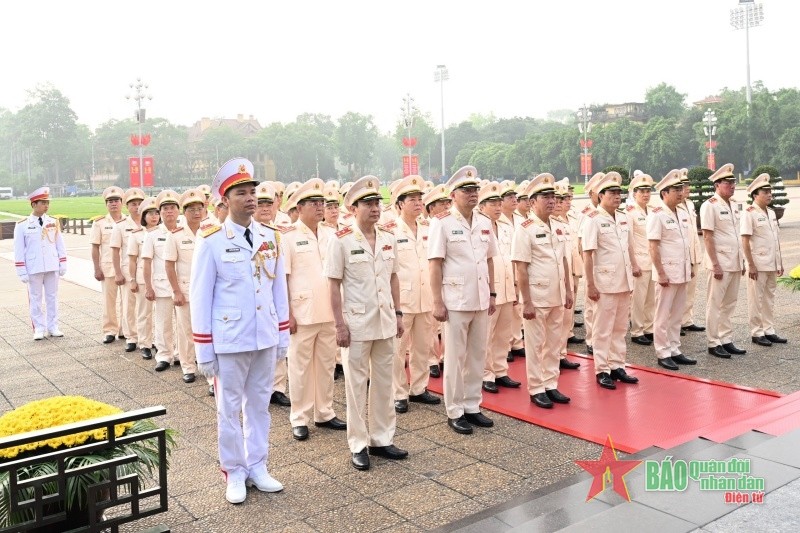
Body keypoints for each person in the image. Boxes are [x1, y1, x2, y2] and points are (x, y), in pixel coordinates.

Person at [191, 157, 289, 504]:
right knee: (228, 409)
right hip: (229, 339)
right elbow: (200, 296)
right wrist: (203, 348)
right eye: (242, 193)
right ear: (225, 201)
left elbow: (279, 289)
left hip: (263, 334)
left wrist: (282, 333)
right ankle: (233, 470)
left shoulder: (271, 236)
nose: (251, 199)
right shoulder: (212, 239)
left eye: (253, 192)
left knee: (260, 405)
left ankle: (257, 465)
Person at [324, 175, 407, 471]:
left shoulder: (387, 237)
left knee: (384, 383)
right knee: (356, 385)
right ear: (353, 207)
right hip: (356, 324)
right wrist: (338, 324)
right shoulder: (342, 240)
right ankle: (358, 444)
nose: (375, 208)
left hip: (384, 321)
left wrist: (398, 313)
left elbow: (393, 277)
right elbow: (333, 285)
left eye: (377, 203)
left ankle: (382, 439)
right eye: (368, 203)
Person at [428, 166, 498, 435]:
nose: (472, 194)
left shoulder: (483, 222)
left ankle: (472, 404)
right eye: (467, 190)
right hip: (455, 300)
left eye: (475, 190)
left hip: (480, 297)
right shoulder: (442, 222)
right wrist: (437, 301)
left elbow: (489, 260)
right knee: (455, 358)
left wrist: (492, 293)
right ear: (453, 194)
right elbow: (434, 265)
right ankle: (455, 410)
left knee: (478, 355)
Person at [282, 178, 346, 441]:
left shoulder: (332, 234)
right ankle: (299, 417)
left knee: (326, 364)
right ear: (300, 207)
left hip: (329, 311)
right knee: (299, 367)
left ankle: (325, 412)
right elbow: (283, 278)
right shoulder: (287, 236)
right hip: (302, 312)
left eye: (322, 203)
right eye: (314, 203)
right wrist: (287, 313)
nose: (320, 207)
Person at [512, 174, 573, 408]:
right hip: (537, 297)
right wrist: (525, 301)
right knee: (536, 344)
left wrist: (568, 290)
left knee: (554, 343)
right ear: (532, 201)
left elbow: (563, 261)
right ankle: (536, 387)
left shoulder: (558, 225)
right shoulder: (525, 229)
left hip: (557, 295)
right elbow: (521, 268)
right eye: (545, 197)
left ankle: (551, 383)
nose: (551, 201)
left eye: (552, 197)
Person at [581, 172, 641, 389]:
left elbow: (629, 245)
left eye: (619, 193)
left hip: (624, 280)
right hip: (604, 282)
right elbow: (587, 254)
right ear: (600, 196)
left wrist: (634, 265)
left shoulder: (624, 217)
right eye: (612, 193)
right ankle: (602, 369)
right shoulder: (593, 219)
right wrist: (590, 284)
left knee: (619, 327)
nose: (617, 197)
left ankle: (617, 365)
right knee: (603, 328)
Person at [389, 175, 441, 414]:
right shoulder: (389, 231)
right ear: (400, 204)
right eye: (412, 199)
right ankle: (399, 392)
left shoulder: (429, 228)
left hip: (426, 297)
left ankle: (419, 388)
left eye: (420, 199)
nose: (418, 203)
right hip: (403, 300)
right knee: (398, 350)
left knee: (423, 346)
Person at [647, 170, 696, 370]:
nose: (680, 192)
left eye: (680, 189)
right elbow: (653, 246)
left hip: (682, 271)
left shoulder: (683, 213)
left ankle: (675, 349)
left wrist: (690, 264)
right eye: (675, 189)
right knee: (662, 315)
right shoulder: (657, 215)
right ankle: (663, 352)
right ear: (664, 193)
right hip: (666, 273)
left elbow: (686, 243)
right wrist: (660, 272)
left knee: (677, 314)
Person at [700, 163, 747, 358]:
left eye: (733, 182)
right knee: (715, 303)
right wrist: (715, 263)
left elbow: (736, 235)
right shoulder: (709, 205)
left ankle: (726, 338)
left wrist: (742, 260)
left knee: (730, 303)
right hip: (719, 263)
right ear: (717, 185)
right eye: (728, 183)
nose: (732, 185)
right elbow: (708, 236)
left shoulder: (734, 204)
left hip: (734, 262)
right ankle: (713, 341)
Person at [477, 182, 520, 393]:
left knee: (504, 333)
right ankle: (486, 374)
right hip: (488, 290)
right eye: (492, 203)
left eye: (498, 202)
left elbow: (512, 258)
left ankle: (501, 370)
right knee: (486, 334)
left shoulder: (505, 226)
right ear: (481, 206)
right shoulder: (478, 227)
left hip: (507, 287)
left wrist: (516, 285)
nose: (497, 206)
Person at [252, 182, 291, 407]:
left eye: (269, 203)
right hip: (255, 299)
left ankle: (277, 387)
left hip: (275, 297)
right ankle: (260, 388)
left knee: (277, 342)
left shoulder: (278, 234)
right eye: (260, 204)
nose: (265, 208)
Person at [13, 187, 66, 340]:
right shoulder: (22, 225)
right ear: (34, 204)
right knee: (35, 298)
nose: (46, 206)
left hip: (52, 264)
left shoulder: (53, 222)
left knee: (52, 297)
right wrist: (21, 270)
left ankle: (53, 326)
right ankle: (39, 328)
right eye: (43, 203)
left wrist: (62, 262)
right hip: (33, 267)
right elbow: (19, 249)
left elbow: (59, 244)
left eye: (47, 202)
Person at [741, 173, 787, 346]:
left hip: (771, 263)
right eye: (765, 192)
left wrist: (779, 262)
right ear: (755, 195)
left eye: (770, 191)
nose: (769, 194)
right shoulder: (749, 213)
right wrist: (750, 264)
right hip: (758, 265)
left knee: (769, 297)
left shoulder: (771, 212)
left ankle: (769, 329)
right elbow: (745, 240)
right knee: (756, 299)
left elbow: (775, 240)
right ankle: (757, 332)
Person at [164, 188, 205, 384]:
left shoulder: (210, 232)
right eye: (191, 209)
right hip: (185, 290)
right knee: (186, 330)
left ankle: (206, 366)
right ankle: (188, 366)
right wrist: (176, 291)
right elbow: (169, 265)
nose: (196, 213)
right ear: (184, 212)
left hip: (207, 291)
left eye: (200, 209)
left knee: (205, 330)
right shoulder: (176, 235)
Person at [142, 190, 181, 372]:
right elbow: (147, 263)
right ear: (160, 213)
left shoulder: (185, 232)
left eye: (172, 208)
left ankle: (183, 354)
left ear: (178, 211)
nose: (169, 212)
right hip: (162, 285)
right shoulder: (152, 235)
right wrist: (148, 287)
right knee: (163, 322)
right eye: (165, 209)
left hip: (183, 285)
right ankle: (164, 355)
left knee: (184, 323)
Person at [90, 186, 127, 343]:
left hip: (126, 268)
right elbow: (95, 247)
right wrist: (96, 268)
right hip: (107, 268)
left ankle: (126, 330)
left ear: (121, 202)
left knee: (127, 302)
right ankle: (110, 330)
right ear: (106, 204)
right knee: (109, 301)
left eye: (116, 201)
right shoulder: (99, 223)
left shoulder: (129, 222)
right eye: (110, 201)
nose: (113, 204)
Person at [421, 184, 451, 378]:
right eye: (442, 204)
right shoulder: (429, 226)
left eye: (449, 203)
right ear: (431, 208)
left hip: (447, 284)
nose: (447, 207)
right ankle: (432, 360)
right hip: (423, 286)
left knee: (446, 328)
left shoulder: (449, 225)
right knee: (430, 329)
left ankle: (446, 359)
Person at [110, 188, 145, 352]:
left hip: (146, 271)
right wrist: (117, 272)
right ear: (127, 206)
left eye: (139, 204)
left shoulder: (151, 224)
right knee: (129, 305)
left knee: (145, 307)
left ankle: (146, 337)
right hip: (128, 270)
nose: (137, 207)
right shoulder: (120, 226)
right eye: (133, 204)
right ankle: (131, 337)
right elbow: (115, 251)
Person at [576, 172, 605, 355]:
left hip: (604, 267)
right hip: (591, 264)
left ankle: (602, 339)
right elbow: (581, 244)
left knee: (603, 307)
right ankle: (591, 339)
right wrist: (587, 270)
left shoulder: (606, 213)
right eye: (599, 190)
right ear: (592, 194)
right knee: (590, 306)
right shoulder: (587, 214)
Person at [626, 173, 656, 346]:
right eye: (642, 191)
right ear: (634, 193)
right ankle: (637, 331)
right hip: (640, 262)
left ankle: (649, 328)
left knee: (651, 298)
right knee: (638, 299)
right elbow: (628, 241)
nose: (645, 194)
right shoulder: (630, 213)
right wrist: (633, 264)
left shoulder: (652, 210)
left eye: (647, 191)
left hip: (652, 261)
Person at [127, 197, 159, 360]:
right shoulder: (137, 235)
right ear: (143, 216)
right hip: (142, 278)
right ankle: (145, 344)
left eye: (156, 213)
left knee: (161, 314)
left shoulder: (165, 233)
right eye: (150, 214)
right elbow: (132, 259)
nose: (154, 217)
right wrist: (132, 279)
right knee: (144, 313)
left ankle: (160, 343)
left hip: (161, 278)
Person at [678, 169, 706, 333]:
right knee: (678, 293)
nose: (688, 188)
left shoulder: (689, 204)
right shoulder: (674, 207)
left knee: (691, 290)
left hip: (694, 253)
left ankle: (686, 320)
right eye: (685, 185)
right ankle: (674, 322)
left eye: (688, 185)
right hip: (682, 255)